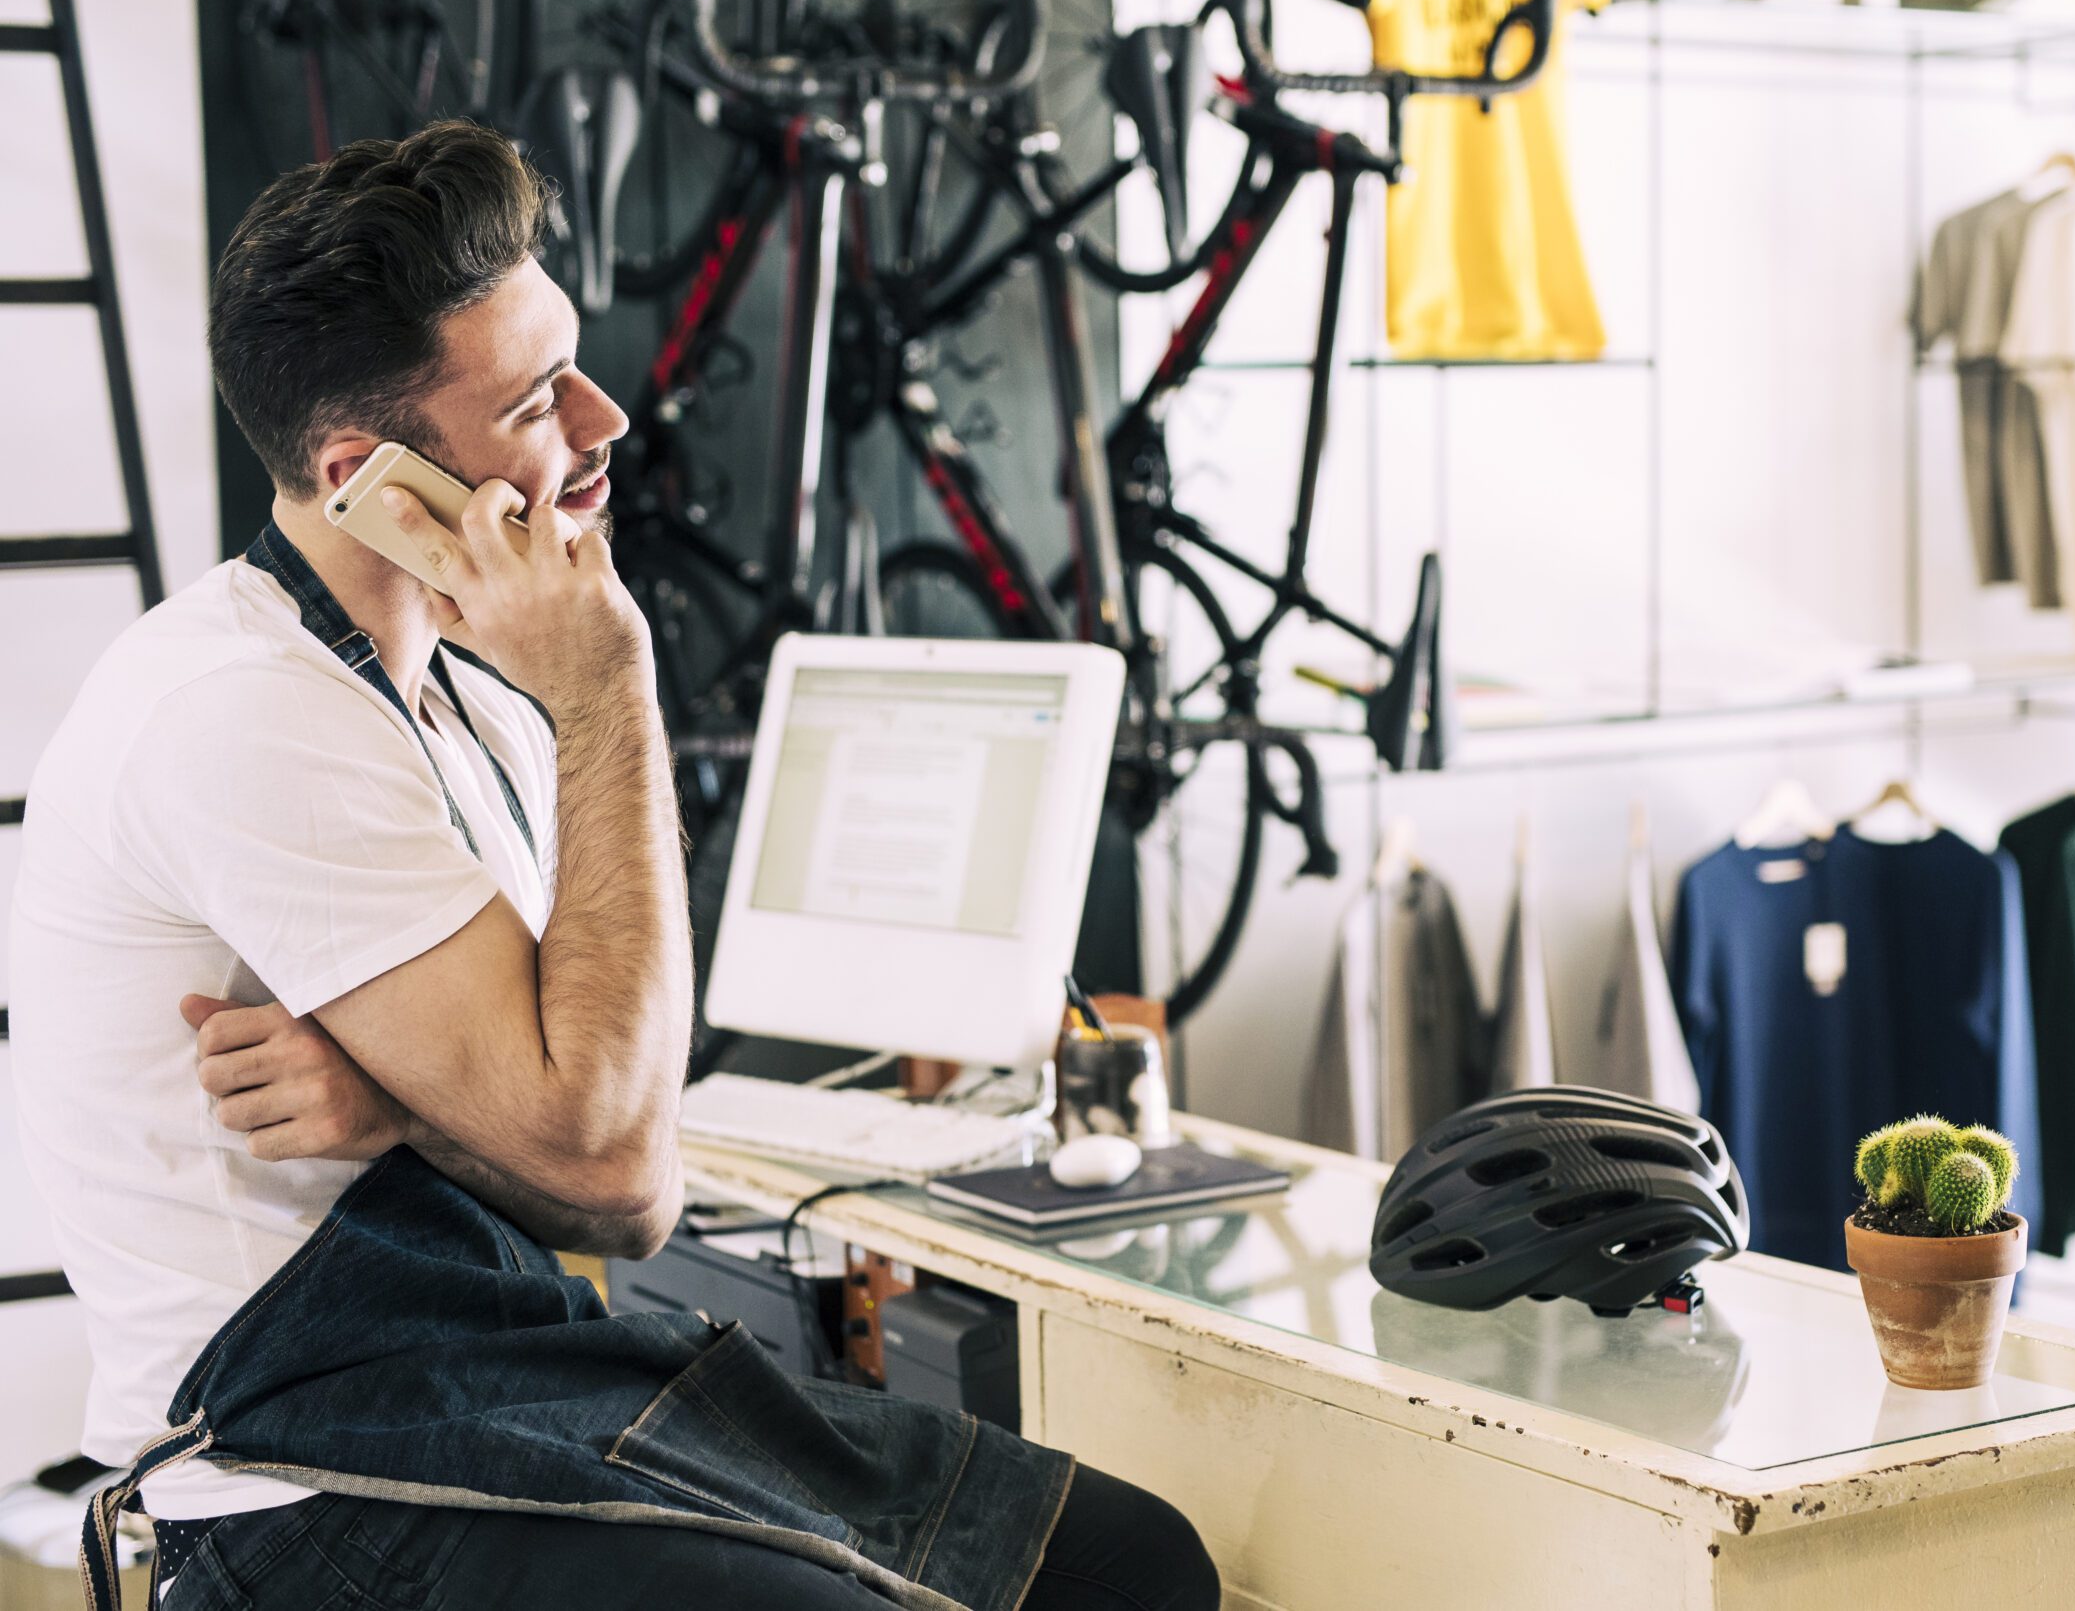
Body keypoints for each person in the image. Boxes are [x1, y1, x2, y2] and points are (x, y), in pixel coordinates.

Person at [6, 120, 1220, 1611]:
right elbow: (617, 1161)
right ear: (367, 477)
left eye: (574, 364)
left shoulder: (471, 705)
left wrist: (403, 1104)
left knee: (1127, 1565)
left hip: (502, 1389)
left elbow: (611, 1186)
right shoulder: (247, 710)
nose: (605, 417)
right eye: (537, 400)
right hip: (298, 1491)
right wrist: (608, 685)